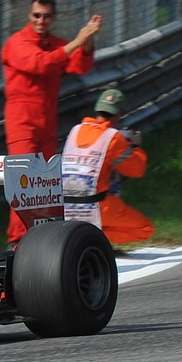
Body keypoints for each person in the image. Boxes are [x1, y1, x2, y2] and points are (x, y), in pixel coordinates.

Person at [1, 0, 102, 244]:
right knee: (23, 182)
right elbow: (41, 64)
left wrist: (87, 41)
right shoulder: (17, 43)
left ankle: (44, 236)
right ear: (29, 15)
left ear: (53, 18)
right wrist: (77, 41)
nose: (41, 21)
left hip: (46, 121)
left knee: (46, 182)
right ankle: (18, 240)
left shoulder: (56, 43)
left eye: (46, 17)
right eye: (36, 15)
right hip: (21, 121)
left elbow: (80, 66)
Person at [61, 88, 153, 245]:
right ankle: (92, 238)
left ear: (98, 109)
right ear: (120, 114)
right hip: (97, 205)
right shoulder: (114, 138)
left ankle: (85, 236)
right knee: (145, 229)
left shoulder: (75, 130)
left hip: (65, 206)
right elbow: (137, 170)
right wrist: (135, 147)